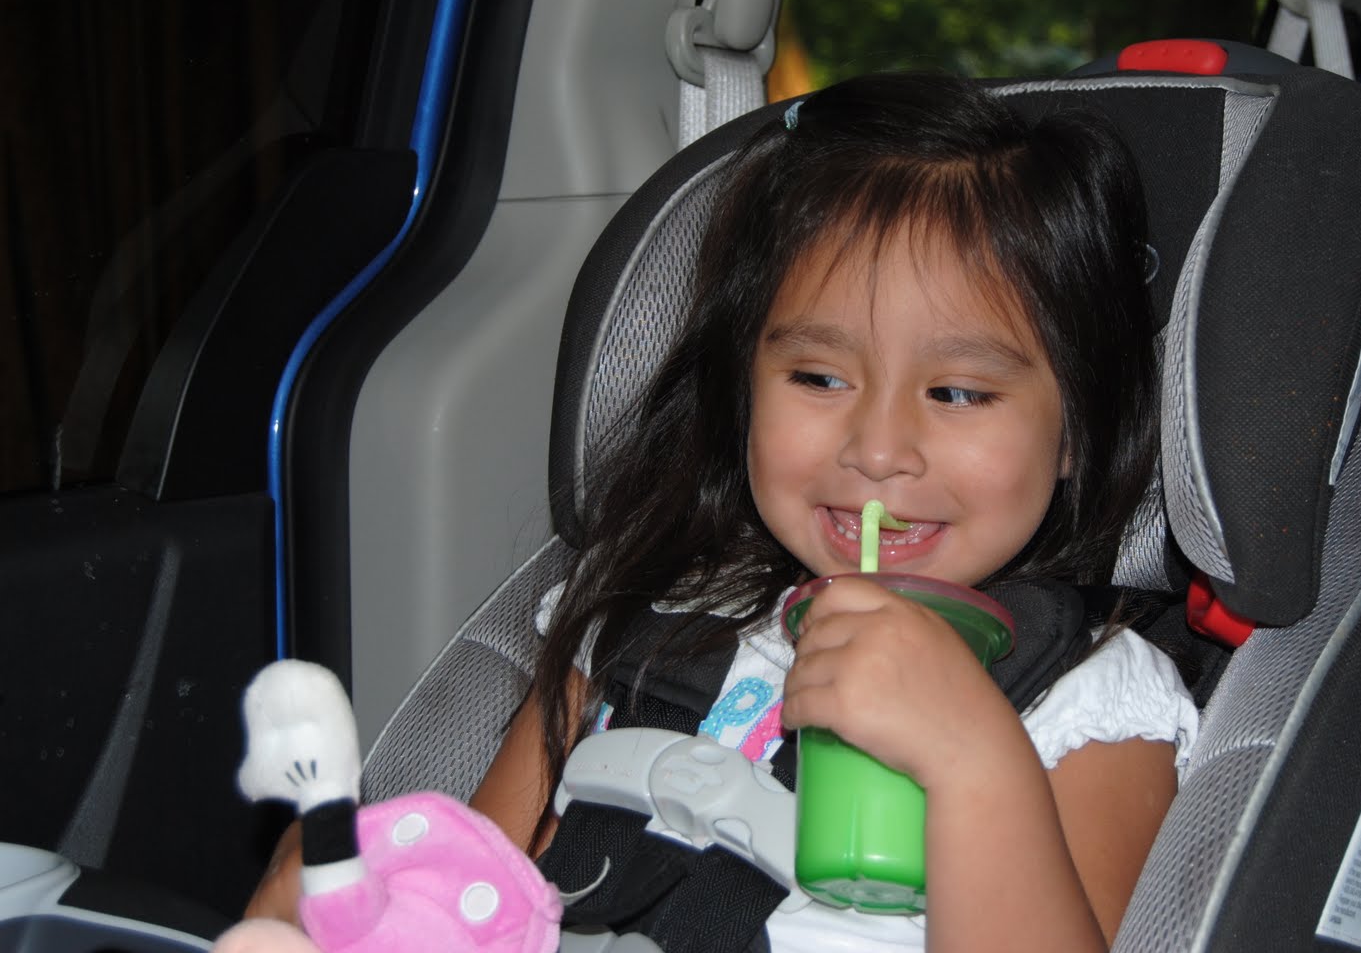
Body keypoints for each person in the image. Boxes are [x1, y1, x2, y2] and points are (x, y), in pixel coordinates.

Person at [248, 72, 1198, 952]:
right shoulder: (643, 617)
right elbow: (476, 900)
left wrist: (973, 757)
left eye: (958, 393)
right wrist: (346, 898)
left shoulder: (1093, 701)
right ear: (744, 388)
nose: (877, 448)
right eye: (818, 376)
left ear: (1075, 430)